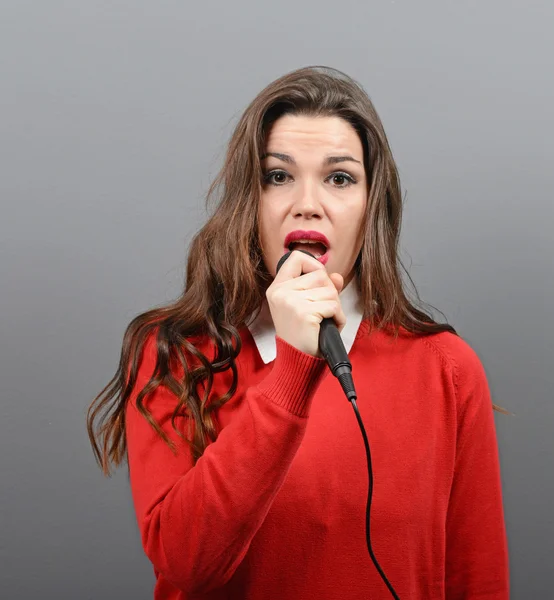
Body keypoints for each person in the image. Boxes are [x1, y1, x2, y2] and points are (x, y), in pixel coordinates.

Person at [87, 65, 510, 599]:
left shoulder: (447, 369)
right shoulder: (174, 353)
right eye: (278, 176)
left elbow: (478, 582)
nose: (308, 203)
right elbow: (184, 564)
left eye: (339, 178)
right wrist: (291, 367)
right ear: (250, 201)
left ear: (370, 205)